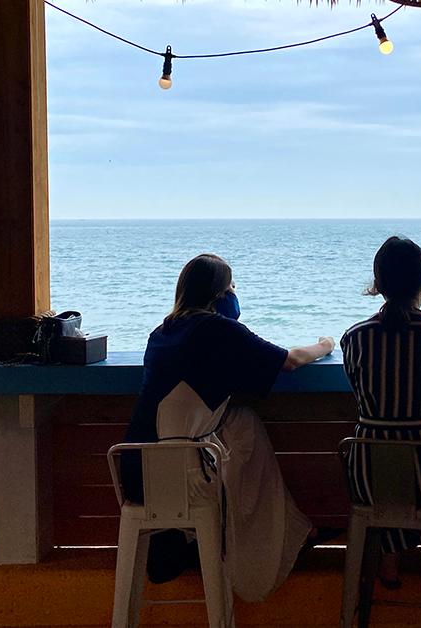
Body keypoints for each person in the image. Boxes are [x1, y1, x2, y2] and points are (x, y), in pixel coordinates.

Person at [120, 253, 335, 600]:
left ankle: (213, 541)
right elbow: (291, 361)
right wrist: (325, 345)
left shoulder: (160, 333)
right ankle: (257, 547)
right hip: (181, 481)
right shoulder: (219, 329)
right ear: (220, 295)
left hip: (135, 472)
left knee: (241, 422)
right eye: (233, 287)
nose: (236, 294)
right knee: (244, 430)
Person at [340, 236, 421, 588]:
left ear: (377, 286)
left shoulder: (354, 338)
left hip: (368, 476)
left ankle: (389, 560)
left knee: (390, 463)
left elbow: (363, 397)